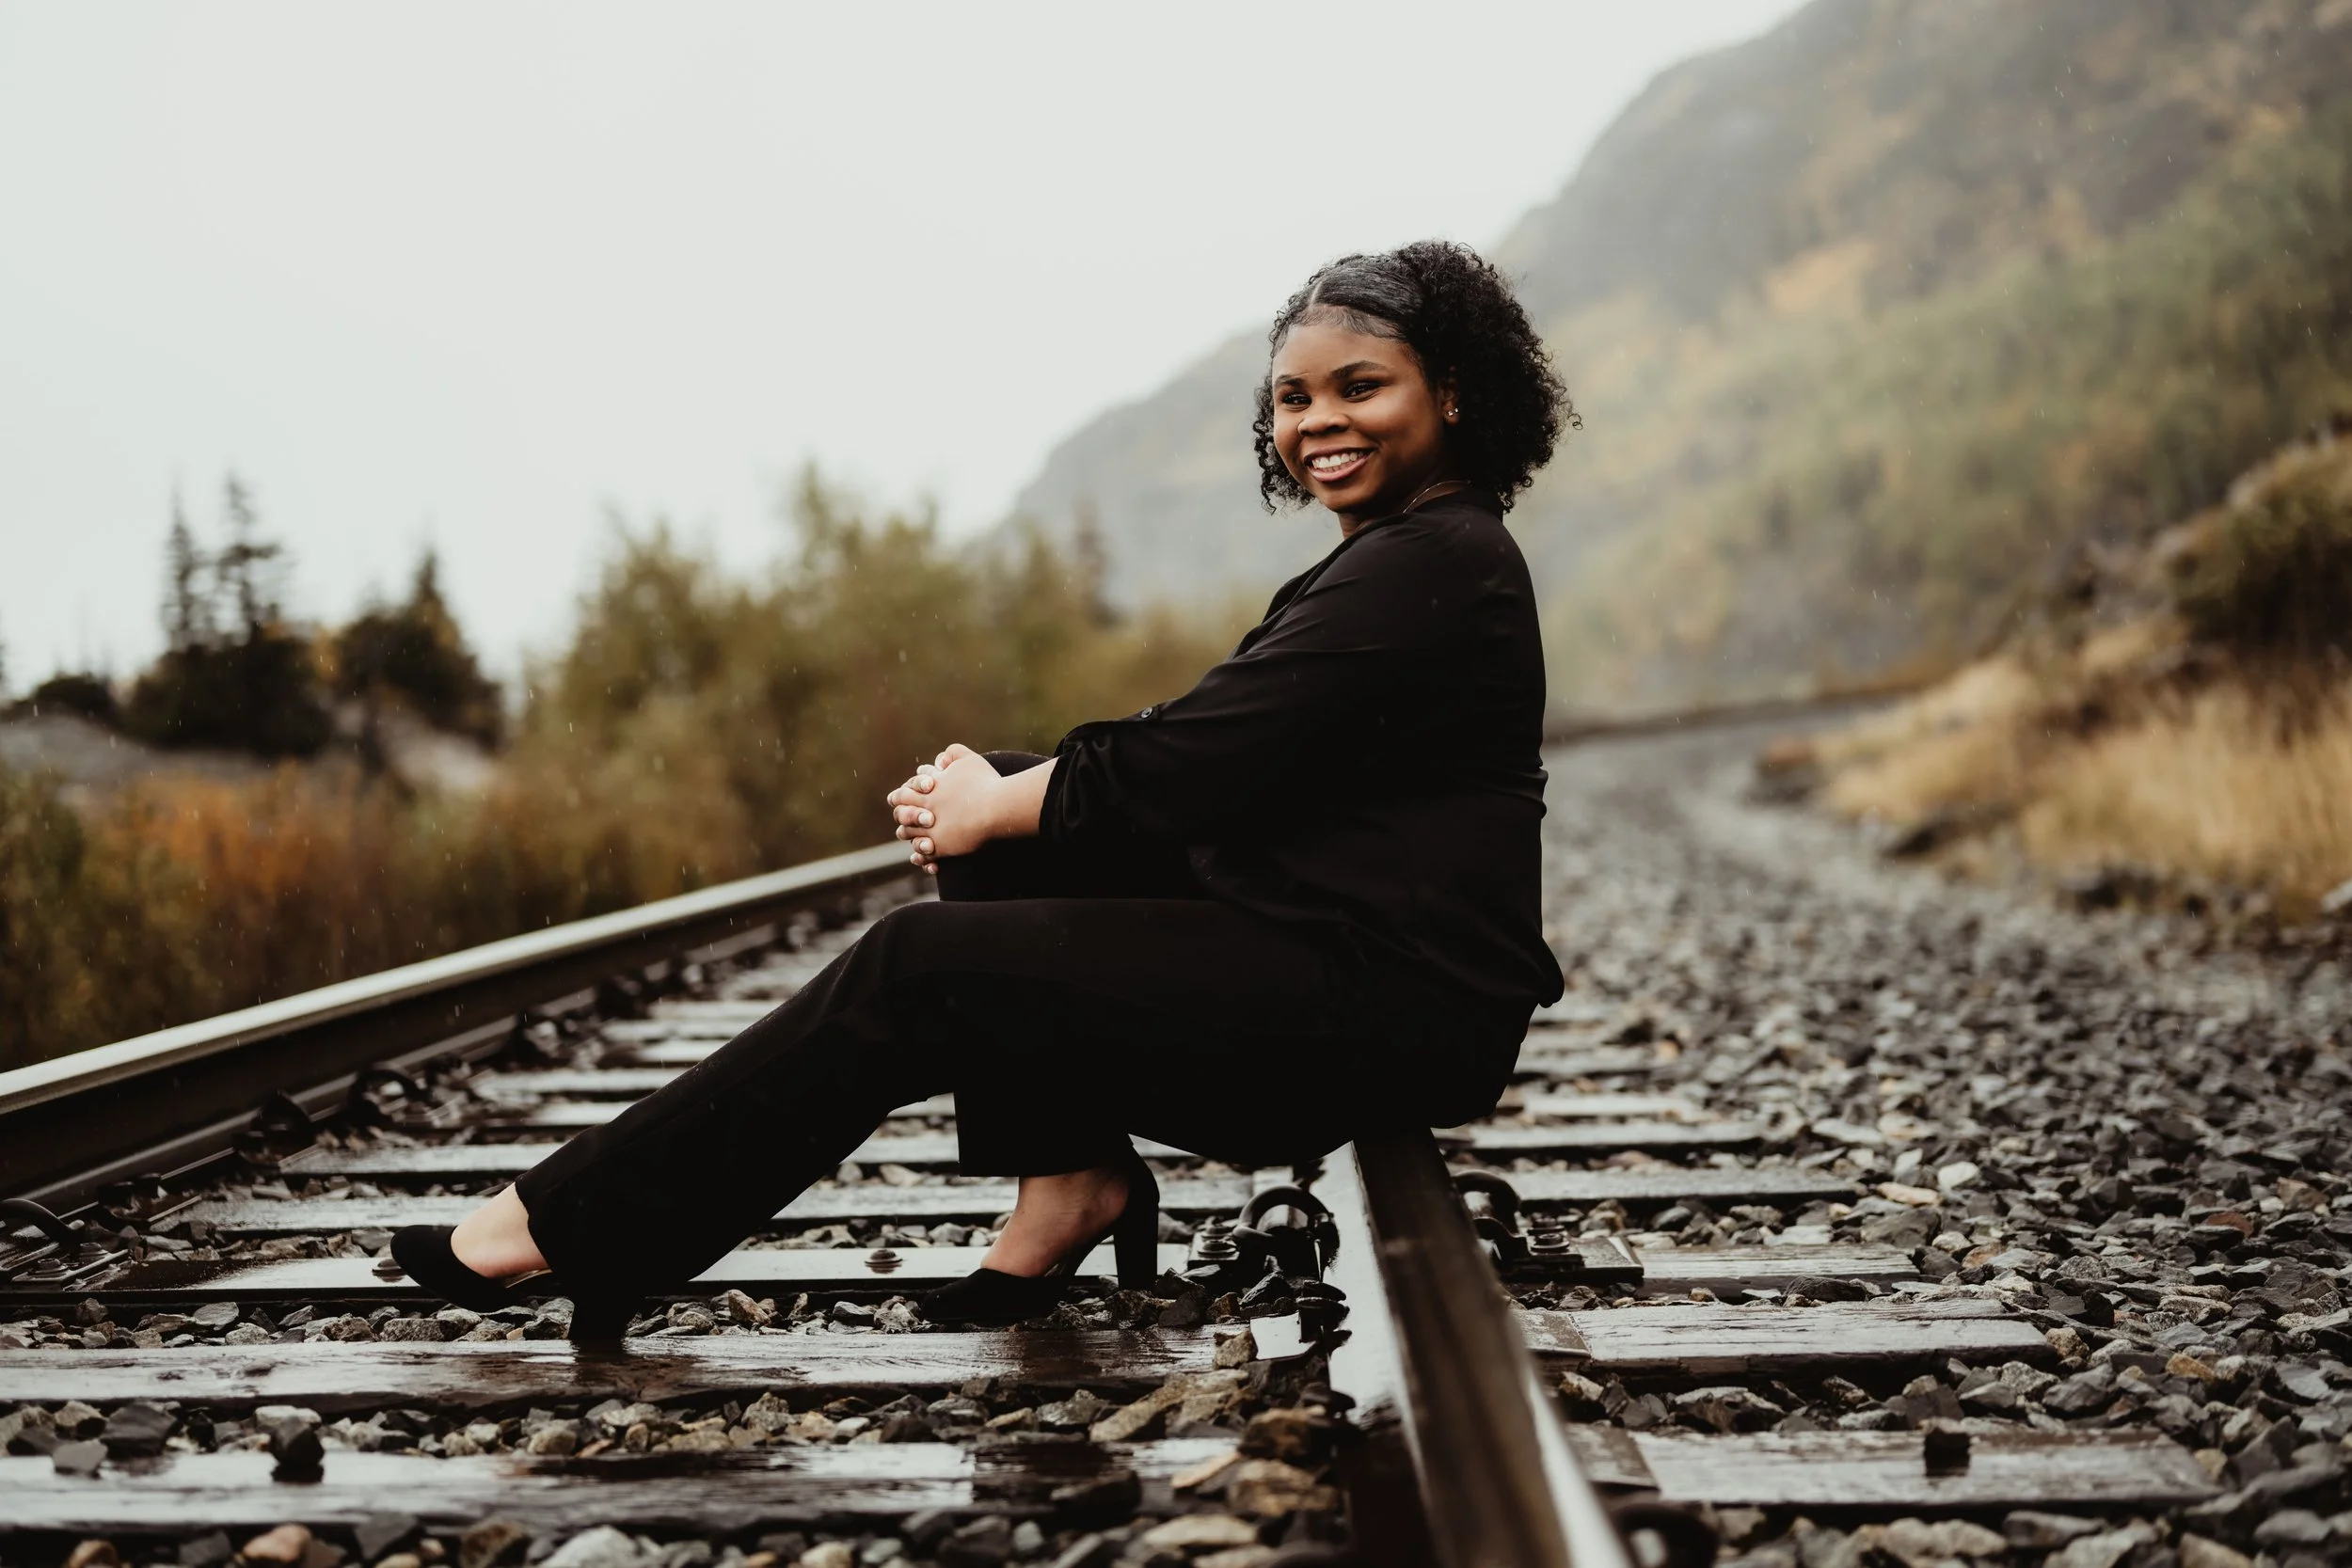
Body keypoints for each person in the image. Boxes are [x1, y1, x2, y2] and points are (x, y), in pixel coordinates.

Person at [391, 239, 1572, 1338]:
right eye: (1293, 398)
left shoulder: (1434, 563)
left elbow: (1197, 760)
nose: (1319, 421)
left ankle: (570, 1223)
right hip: (1348, 962)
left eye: (1358, 388)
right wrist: (1000, 796)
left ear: (1453, 393)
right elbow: (1214, 757)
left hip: (1388, 1011)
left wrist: (1000, 805)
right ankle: (1069, 1182)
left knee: (918, 965)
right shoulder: (1412, 555)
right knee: (1009, 793)